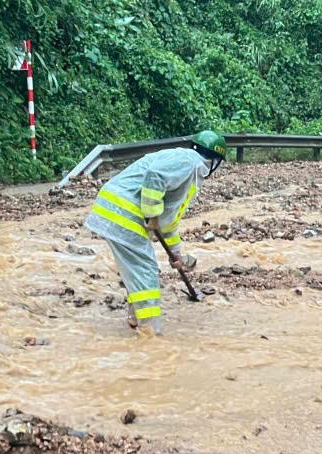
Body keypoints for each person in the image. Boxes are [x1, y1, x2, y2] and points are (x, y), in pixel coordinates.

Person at [85, 130, 227, 332]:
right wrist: (152, 214)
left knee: (137, 270)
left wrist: (175, 251)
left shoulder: (187, 166)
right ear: (215, 160)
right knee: (145, 271)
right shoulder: (189, 162)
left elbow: (168, 219)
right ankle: (149, 332)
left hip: (117, 210)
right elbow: (155, 176)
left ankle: (136, 319)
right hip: (124, 212)